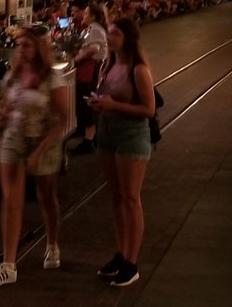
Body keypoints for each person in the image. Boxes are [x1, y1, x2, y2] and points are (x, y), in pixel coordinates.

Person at [0, 27, 69, 286]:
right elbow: (8, 105)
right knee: (11, 200)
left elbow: (61, 119)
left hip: (43, 139)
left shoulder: (52, 80)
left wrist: (40, 150)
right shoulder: (12, 76)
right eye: (19, 45)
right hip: (14, 139)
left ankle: (52, 242)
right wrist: (2, 116)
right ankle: (8, 264)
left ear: (38, 49)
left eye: (26, 46)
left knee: (45, 195)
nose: (20, 50)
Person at [87, 18, 155, 287]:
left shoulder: (139, 70)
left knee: (130, 198)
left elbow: (148, 110)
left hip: (132, 137)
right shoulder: (108, 64)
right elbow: (106, 97)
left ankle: (132, 261)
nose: (108, 37)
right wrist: (98, 102)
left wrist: (113, 105)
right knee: (116, 198)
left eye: (114, 34)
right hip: (108, 135)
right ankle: (121, 252)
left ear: (128, 37)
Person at [72, 2, 108, 155]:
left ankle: (89, 139)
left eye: (86, 14)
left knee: (88, 102)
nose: (83, 16)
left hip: (89, 70)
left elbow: (94, 49)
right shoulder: (92, 29)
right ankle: (85, 131)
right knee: (84, 101)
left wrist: (77, 59)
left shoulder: (95, 30)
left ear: (93, 16)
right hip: (88, 69)